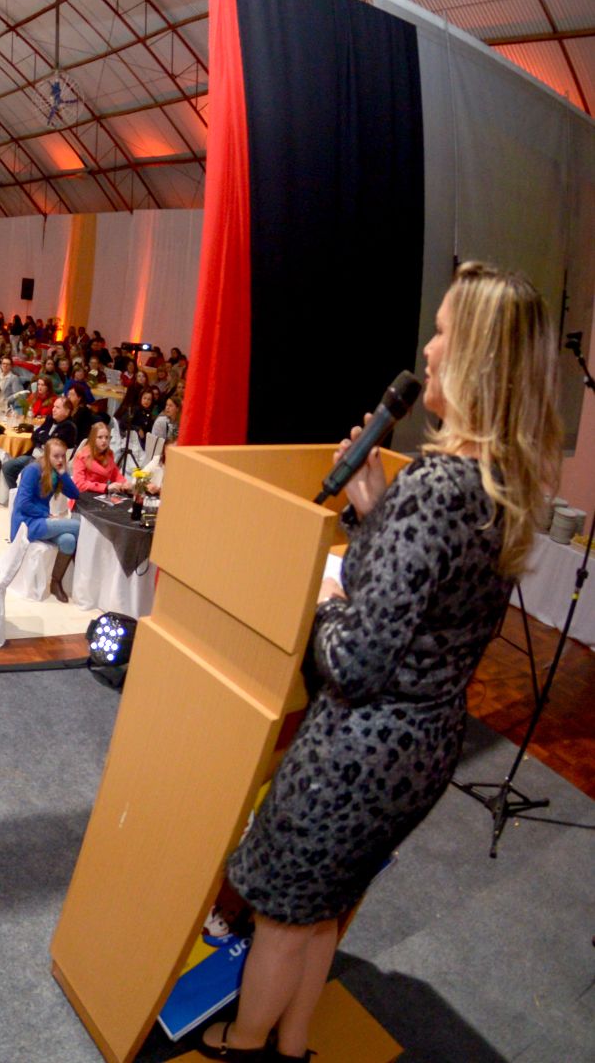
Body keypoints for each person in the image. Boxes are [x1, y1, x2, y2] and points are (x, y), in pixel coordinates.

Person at [205, 262, 564, 1063]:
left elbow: (358, 660)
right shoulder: (498, 484)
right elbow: (428, 605)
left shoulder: (433, 486)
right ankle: (294, 1042)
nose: (427, 352)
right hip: (423, 751)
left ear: (477, 361)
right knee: (326, 908)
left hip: (357, 755)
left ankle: (245, 1040)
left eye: (443, 334)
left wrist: (321, 599)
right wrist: (373, 513)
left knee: (283, 915)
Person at [10, 438, 82, 602]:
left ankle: (56, 583)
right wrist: (45, 515)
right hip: (27, 522)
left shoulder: (56, 471)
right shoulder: (33, 470)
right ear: (46, 455)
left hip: (41, 520)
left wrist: (63, 473)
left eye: (63, 456)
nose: (60, 460)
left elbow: (75, 494)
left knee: (69, 540)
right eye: (56, 456)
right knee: (77, 526)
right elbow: (23, 504)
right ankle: (84, 569)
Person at [71, 423, 127, 495]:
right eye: (100, 437)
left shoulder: (109, 455)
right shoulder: (82, 455)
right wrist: (106, 487)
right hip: (84, 495)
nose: (104, 440)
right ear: (93, 438)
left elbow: (116, 475)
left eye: (107, 437)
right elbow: (79, 484)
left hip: (101, 494)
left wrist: (125, 484)